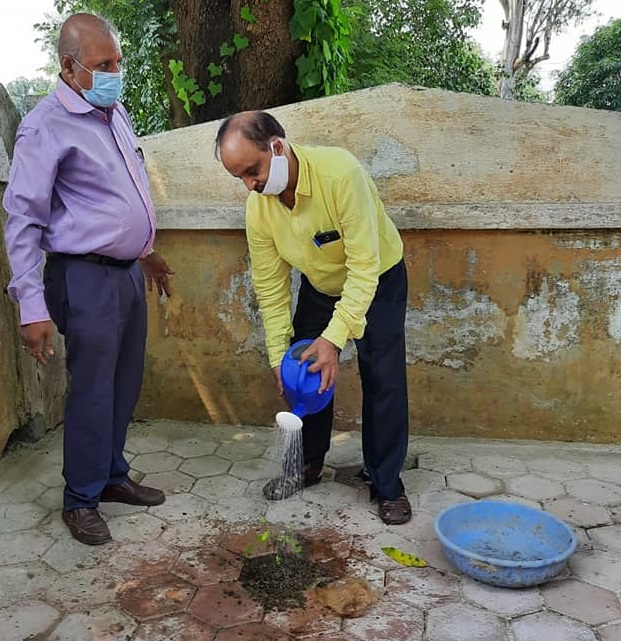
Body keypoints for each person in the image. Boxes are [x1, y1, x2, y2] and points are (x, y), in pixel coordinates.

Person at [2, 13, 174, 545]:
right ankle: (80, 498)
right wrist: (30, 307)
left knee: (125, 383)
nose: (115, 72)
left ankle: (112, 476)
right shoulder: (44, 126)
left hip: (124, 274)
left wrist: (145, 252)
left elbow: (117, 200)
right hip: (84, 277)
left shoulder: (113, 111)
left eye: (117, 61)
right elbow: (25, 219)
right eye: (104, 65)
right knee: (93, 391)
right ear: (69, 66)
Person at [216, 111, 412, 525]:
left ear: (278, 147)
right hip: (322, 286)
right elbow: (270, 287)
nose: (250, 185)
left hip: (377, 278)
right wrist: (276, 357)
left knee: (384, 377)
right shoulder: (259, 210)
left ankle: (386, 482)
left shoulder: (341, 174)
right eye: (241, 179)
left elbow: (364, 266)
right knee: (304, 368)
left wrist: (335, 338)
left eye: (253, 171)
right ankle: (306, 465)